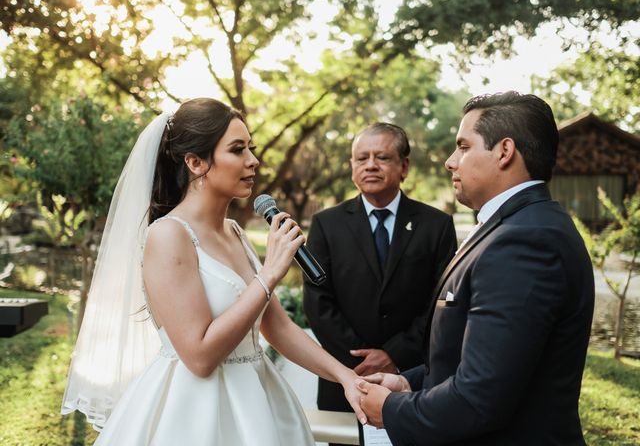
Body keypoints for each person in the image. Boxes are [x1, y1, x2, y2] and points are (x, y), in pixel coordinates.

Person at [61, 98, 365, 445]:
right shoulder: (168, 235)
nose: (253, 161)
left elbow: (277, 327)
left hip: (260, 401)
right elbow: (199, 356)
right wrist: (268, 275)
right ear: (195, 162)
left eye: (250, 148)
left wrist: (346, 378)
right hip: (195, 412)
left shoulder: (235, 232)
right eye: (237, 150)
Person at [357, 92, 595, 445]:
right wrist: (411, 383)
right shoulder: (513, 226)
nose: (451, 162)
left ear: (504, 151)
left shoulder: (526, 241)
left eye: (464, 147)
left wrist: (392, 409)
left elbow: (479, 398)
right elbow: (483, 359)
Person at [303, 122, 457, 423]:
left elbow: (442, 302)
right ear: (352, 166)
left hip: (412, 379)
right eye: (362, 158)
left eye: (382, 157)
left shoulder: (436, 226)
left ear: (404, 166)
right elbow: (318, 302)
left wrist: (394, 355)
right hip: (346, 379)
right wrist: (362, 359)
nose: (370, 165)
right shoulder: (325, 224)